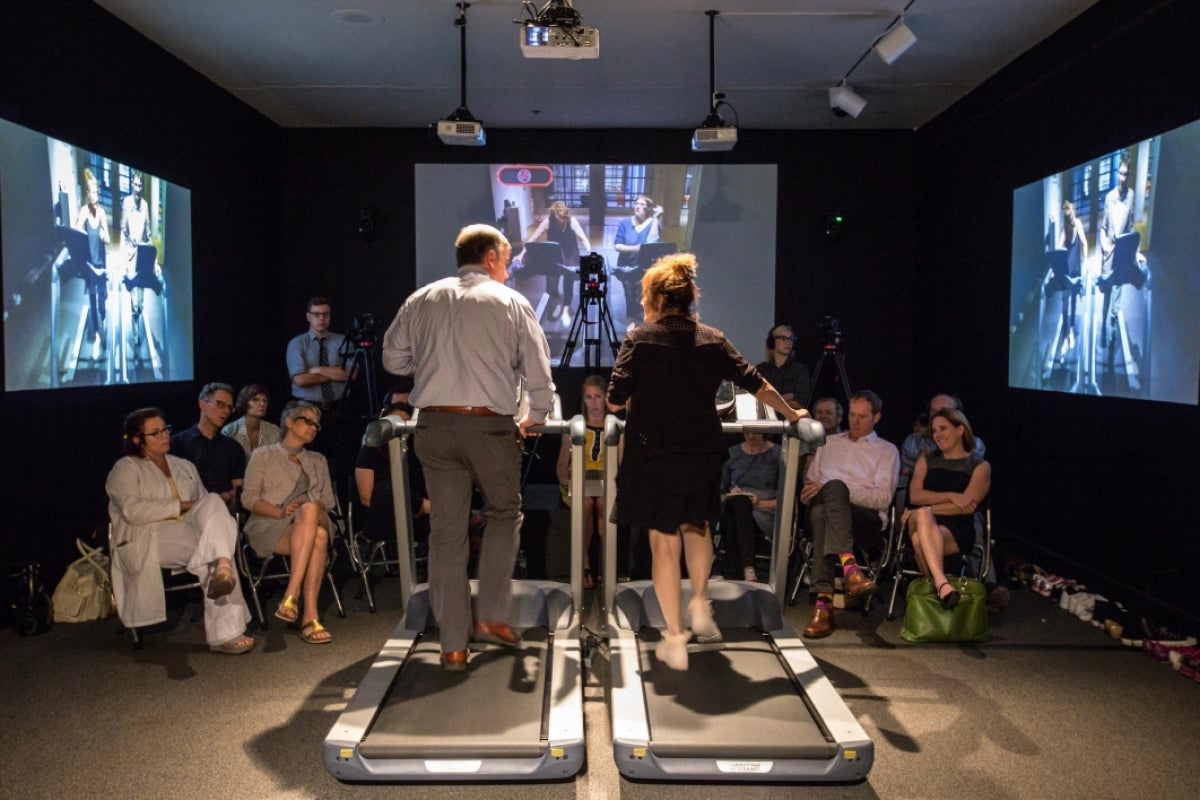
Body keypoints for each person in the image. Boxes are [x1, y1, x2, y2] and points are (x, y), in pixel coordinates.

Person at [606, 252, 806, 671]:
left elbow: (614, 398)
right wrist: (792, 415)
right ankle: (699, 600)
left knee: (663, 542)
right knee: (697, 527)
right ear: (688, 298)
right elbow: (757, 382)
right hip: (701, 450)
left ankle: (675, 636)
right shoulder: (713, 338)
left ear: (656, 299)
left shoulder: (639, 339)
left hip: (654, 452)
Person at [381, 223, 554, 671]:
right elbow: (538, 371)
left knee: (447, 533)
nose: (511, 264)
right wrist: (537, 414)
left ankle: (453, 645)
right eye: (509, 256)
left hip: (434, 426)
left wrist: (434, 356)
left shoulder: (422, 298)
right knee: (503, 513)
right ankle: (492, 615)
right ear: (492, 256)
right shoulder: (511, 301)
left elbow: (392, 359)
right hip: (488, 427)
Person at [106, 407, 255, 654]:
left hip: (187, 532)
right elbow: (134, 511)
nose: (164, 436)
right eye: (155, 433)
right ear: (137, 440)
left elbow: (208, 508)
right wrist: (184, 505)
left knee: (214, 508)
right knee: (216, 546)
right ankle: (226, 632)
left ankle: (222, 568)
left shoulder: (183, 465)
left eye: (165, 429)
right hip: (148, 536)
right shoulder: (126, 468)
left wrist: (199, 507)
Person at [800, 390, 900, 639]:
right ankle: (851, 569)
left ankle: (823, 606)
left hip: (864, 521)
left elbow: (882, 498)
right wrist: (817, 490)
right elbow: (809, 486)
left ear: (876, 417)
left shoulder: (887, 451)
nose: (855, 421)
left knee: (830, 500)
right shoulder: (829, 443)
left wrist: (841, 491)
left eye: (863, 416)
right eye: (853, 415)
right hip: (825, 511)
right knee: (824, 506)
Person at [241, 401, 336, 644]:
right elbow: (248, 498)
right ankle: (310, 617)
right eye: (308, 421)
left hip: (314, 519)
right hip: (271, 523)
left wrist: (307, 509)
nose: (313, 428)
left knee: (311, 508)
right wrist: (281, 512)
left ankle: (291, 594)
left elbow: (327, 500)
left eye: (317, 425)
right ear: (290, 422)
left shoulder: (318, 459)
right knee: (320, 538)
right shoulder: (263, 455)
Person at [901, 408, 991, 609]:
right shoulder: (927, 459)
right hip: (918, 521)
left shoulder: (979, 465)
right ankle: (942, 583)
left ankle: (937, 590)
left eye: (943, 428)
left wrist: (925, 509)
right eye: (934, 430)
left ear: (960, 429)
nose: (937, 435)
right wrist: (951, 496)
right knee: (922, 517)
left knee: (919, 539)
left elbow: (966, 507)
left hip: (957, 528)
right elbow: (915, 495)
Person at [355, 380, 430, 547]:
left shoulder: (419, 450)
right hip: (385, 517)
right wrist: (421, 506)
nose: (399, 430)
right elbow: (367, 499)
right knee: (385, 489)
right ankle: (429, 508)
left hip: (418, 520)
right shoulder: (371, 449)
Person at [555, 374, 609, 589]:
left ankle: (607, 565)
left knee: (603, 503)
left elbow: (622, 465)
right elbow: (561, 464)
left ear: (605, 397)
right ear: (583, 400)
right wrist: (566, 482)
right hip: (578, 482)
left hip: (607, 483)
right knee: (586, 502)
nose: (594, 402)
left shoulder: (615, 426)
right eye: (589, 397)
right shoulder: (574, 426)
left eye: (598, 396)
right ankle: (585, 562)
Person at [1097, 155, 1147, 349]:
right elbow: (1103, 227)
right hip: (1109, 252)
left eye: (1126, 174)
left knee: (1118, 292)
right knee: (1107, 291)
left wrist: (1136, 252)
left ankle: (1113, 326)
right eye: (1121, 173)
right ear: (1117, 173)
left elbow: (1130, 226)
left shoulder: (1132, 195)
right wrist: (1104, 244)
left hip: (1123, 253)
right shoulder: (1109, 198)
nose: (1123, 177)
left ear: (1129, 175)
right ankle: (1103, 326)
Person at [170, 382, 247, 505]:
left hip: (222, 507)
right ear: (203, 404)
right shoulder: (177, 443)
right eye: (221, 404)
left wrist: (226, 496)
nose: (226, 411)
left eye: (229, 408)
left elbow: (239, 488)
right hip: (187, 506)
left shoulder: (233, 448)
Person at [719, 431, 781, 582]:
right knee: (738, 503)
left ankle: (734, 573)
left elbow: (789, 498)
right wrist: (730, 495)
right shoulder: (732, 453)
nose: (751, 437)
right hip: (735, 509)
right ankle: (748, 568)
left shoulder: (778, 454)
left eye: (756, 432)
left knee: (735, 511)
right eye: (747, 432)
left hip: (765, 511)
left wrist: (760, 503)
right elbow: (720, 494)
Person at [516, 200, 591, 324]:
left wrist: (590, 252)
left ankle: (566, 310)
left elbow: (583, 238)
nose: (561, 221)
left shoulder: (572, 221)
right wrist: (521, 254)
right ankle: (557, 302)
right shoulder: (548, 222)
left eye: (563, 218)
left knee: (568, 283)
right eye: (558, 218)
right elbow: (532, 239)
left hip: (570, 254)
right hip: (554, 255)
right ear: (553, 215)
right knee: (551, 286)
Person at [286, 296, 351, 410]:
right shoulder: (297, 344)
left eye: (326, 314)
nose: (322, 318)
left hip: (340, 406)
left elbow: (351, 374)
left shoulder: (343, 341)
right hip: (306, 407)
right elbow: (300, 380)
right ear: (308, 316)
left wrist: (317, 369)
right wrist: (337, 372)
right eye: (316, 314)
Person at [73, 168, 109, 361]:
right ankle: (96, 333)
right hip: (90, 264)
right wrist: (82, 227)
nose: (95, 196)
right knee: (93, 300)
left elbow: (108, 237)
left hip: (101, 262)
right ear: (88, 194)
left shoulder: (102, 212)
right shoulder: (84, 212)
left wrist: (104, 234)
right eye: (92, 192)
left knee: (102, 300)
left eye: (97, 192)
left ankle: (101, 325)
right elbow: (77, 233)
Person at [612, 194, 663, 328]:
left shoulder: (653, 223)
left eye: (642, 205)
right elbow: (617, 245)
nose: (638, 207)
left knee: (641, 294)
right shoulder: (626, 223)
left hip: (644, 266)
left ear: (648, 209)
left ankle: (637, 323)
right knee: (629, 293)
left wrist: (656, 218)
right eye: (637, 204)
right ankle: (631, 321)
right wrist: (637, 248)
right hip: (626, 265)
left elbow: (652, 241)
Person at [121, 170, 154, 347]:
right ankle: (135, 333)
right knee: (133, 297)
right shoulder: (126, 203)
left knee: (140, 301)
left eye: (140, 185)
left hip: (142, 255)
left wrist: (154, 261)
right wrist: (121, 256)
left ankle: (137, 318)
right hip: (130, 254)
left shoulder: (146, 205)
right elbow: (123, 230)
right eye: (135, 184)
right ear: (132, 185)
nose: (138, 188)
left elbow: (148, 234)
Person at [1057, 199, 1087, 362]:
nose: (1069, 219)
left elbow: (1083, 241)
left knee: (1074, 300)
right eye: (1067, 218)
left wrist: (1087, 259)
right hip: (1067, 270)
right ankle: (1065, 335)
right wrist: (1056, 265)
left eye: (1070, 216)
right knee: (1065, 304)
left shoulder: (1078, 225)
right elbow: (1059, 246)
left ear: (1073, 213)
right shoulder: (1064, 229)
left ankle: (1072, 331)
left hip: (1076, 269)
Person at [221, 383, 283, 458]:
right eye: (255, 400)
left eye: (265, 400)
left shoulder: (274, 431)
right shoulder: (230, 431)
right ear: (244, 402)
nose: (262, 404)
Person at [757, 324, 812, 409]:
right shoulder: (761, 370)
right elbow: (757, 399)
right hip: (766, 420)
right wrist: (789, 396)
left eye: (790, 339)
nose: (788, 342)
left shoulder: (800, 370)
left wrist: (770, 401)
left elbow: (800, 401)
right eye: (783, 338)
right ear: (772, 342)